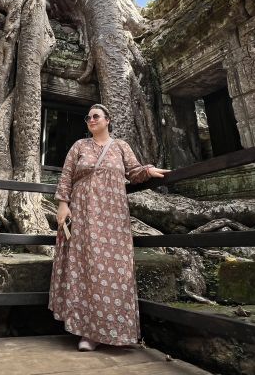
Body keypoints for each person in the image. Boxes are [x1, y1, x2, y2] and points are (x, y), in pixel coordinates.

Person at [49, 103, 171, 351]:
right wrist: (63, 205)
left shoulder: (121, 146)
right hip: (83, 214)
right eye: (88, 117)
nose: (91, 120)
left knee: (114, 270)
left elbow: (134, 172)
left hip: (113, 218)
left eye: (96, 116)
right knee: (85, 267)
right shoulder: (79, 146)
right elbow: (66, 176)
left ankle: (117, 330)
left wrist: (148, 170)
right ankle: (87, 333)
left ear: (108, 120)